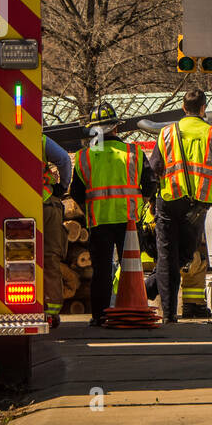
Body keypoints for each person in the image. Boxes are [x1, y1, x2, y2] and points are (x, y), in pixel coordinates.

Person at [71, 104, 156, 327]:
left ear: (94, 131)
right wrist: (138, 206)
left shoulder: (84, 157)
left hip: (98, 222)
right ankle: (132, 310)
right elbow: (149, 187)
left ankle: (100, 316)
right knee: (131, 268)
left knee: (101, 271)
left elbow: (76, 194)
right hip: (129, 221)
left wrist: (92, 208)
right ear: (116, 128)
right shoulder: (133, 153)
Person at [148, 89, 212, 323]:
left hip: (168, 200)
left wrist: (151, 200)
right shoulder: (211, 133)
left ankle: (167, 311)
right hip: (196, 204)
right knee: (186, 254)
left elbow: (154, 167)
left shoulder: (166, 133)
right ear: (203, 108)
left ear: (183, 108)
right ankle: (151, 290)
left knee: (167, 255)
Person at [41, 135, 73, 325]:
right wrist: (62, 186)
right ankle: (51, 312)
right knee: (50, 257)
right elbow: (63, 159)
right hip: (46, 203)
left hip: (14, 207)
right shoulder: (40, 139)